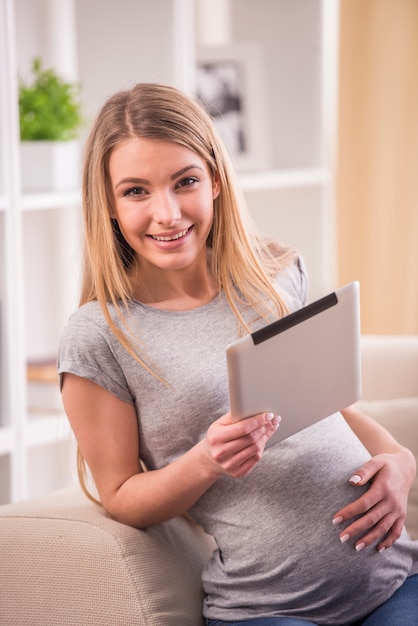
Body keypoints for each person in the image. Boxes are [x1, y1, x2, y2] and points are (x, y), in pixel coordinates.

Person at [58, 82, 418, 626]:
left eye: (186, 182)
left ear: (216, 180)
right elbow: (121, 495)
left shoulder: (272, 274)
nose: (168, 213)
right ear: (107, 203)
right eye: (136, 191)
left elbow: (328, 405)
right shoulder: (100, 334)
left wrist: (400, 461)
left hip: (396, 581)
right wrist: (205, 461)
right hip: (270, 610)